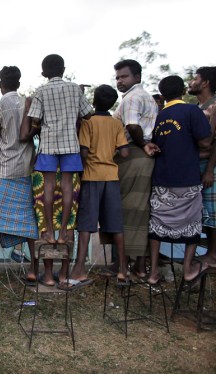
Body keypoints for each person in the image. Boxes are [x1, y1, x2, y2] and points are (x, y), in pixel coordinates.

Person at [21, 54, 93, 286]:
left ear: (43, 72)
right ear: (64, 68)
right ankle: (63, 232)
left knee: (49, 187)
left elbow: (34, 120)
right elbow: (88, 113)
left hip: (49, 144)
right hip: (70, 144)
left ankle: (50, 231)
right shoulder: (74, 89)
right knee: (68, 188)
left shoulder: (41, 91)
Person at [147, 76, 212, 285]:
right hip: (187, 177)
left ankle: (153, 271)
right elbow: (205, 142)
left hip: (162, 178)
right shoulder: (192, 111)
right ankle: (187, 269)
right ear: (183, 91)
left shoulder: (159, 115)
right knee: (192, 224)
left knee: (157, 223)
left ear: (163, 95)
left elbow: (155, 144)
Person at [0, 66, 39, 285]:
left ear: (0, 83)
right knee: (29, 222)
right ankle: (34, 270)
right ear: (19, 82)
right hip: (26, 171)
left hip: (4, 171)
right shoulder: (30, 104)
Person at [69, 85, 129, 287]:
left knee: (86, 225)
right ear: (113, 103)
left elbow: (84, 152)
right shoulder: (116, 124)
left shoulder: (89, 122)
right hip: (111, 177)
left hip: (91, 176)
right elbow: (125, 152)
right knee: (116, 225)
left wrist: (82, 170)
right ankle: (122, 270)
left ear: (93, 101)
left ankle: (79, 269)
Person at [113, 59, 159, 279]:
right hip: (141, 157)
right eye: (118, 77)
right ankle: (139, 266)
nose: (119, 81)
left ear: (137, 77)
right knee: (141, 211)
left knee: (129, 211)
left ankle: (125, 267)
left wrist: (142, 144)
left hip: (133, 154)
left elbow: (132, 126)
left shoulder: (133, 97)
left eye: (124, 76)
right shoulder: (146, 97)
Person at [189, 66, 216, 267]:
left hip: (210, 165)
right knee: (204, 212)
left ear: (205, 82)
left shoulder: (214, 106)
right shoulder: (199, 108)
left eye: (195, 78)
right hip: (196, 163)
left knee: (212, 210)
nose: (192, 82)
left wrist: (209, 171)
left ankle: (213, 254)